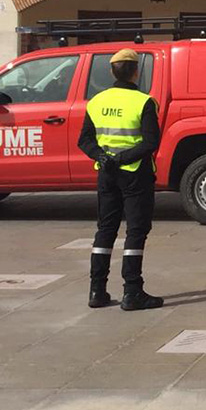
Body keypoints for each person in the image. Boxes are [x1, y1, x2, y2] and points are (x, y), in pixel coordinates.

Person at [78, 48, 164, 311]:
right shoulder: (144, 102)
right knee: (136, 231)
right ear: (136, 71)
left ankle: (97, 290)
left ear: (112, 71)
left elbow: (84, 140)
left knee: (106, 229)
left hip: (106, 174)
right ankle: (132, 291)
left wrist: (103, 157)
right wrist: (123, 158)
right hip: (135, 173)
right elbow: (151, 142)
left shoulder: (96, 102)